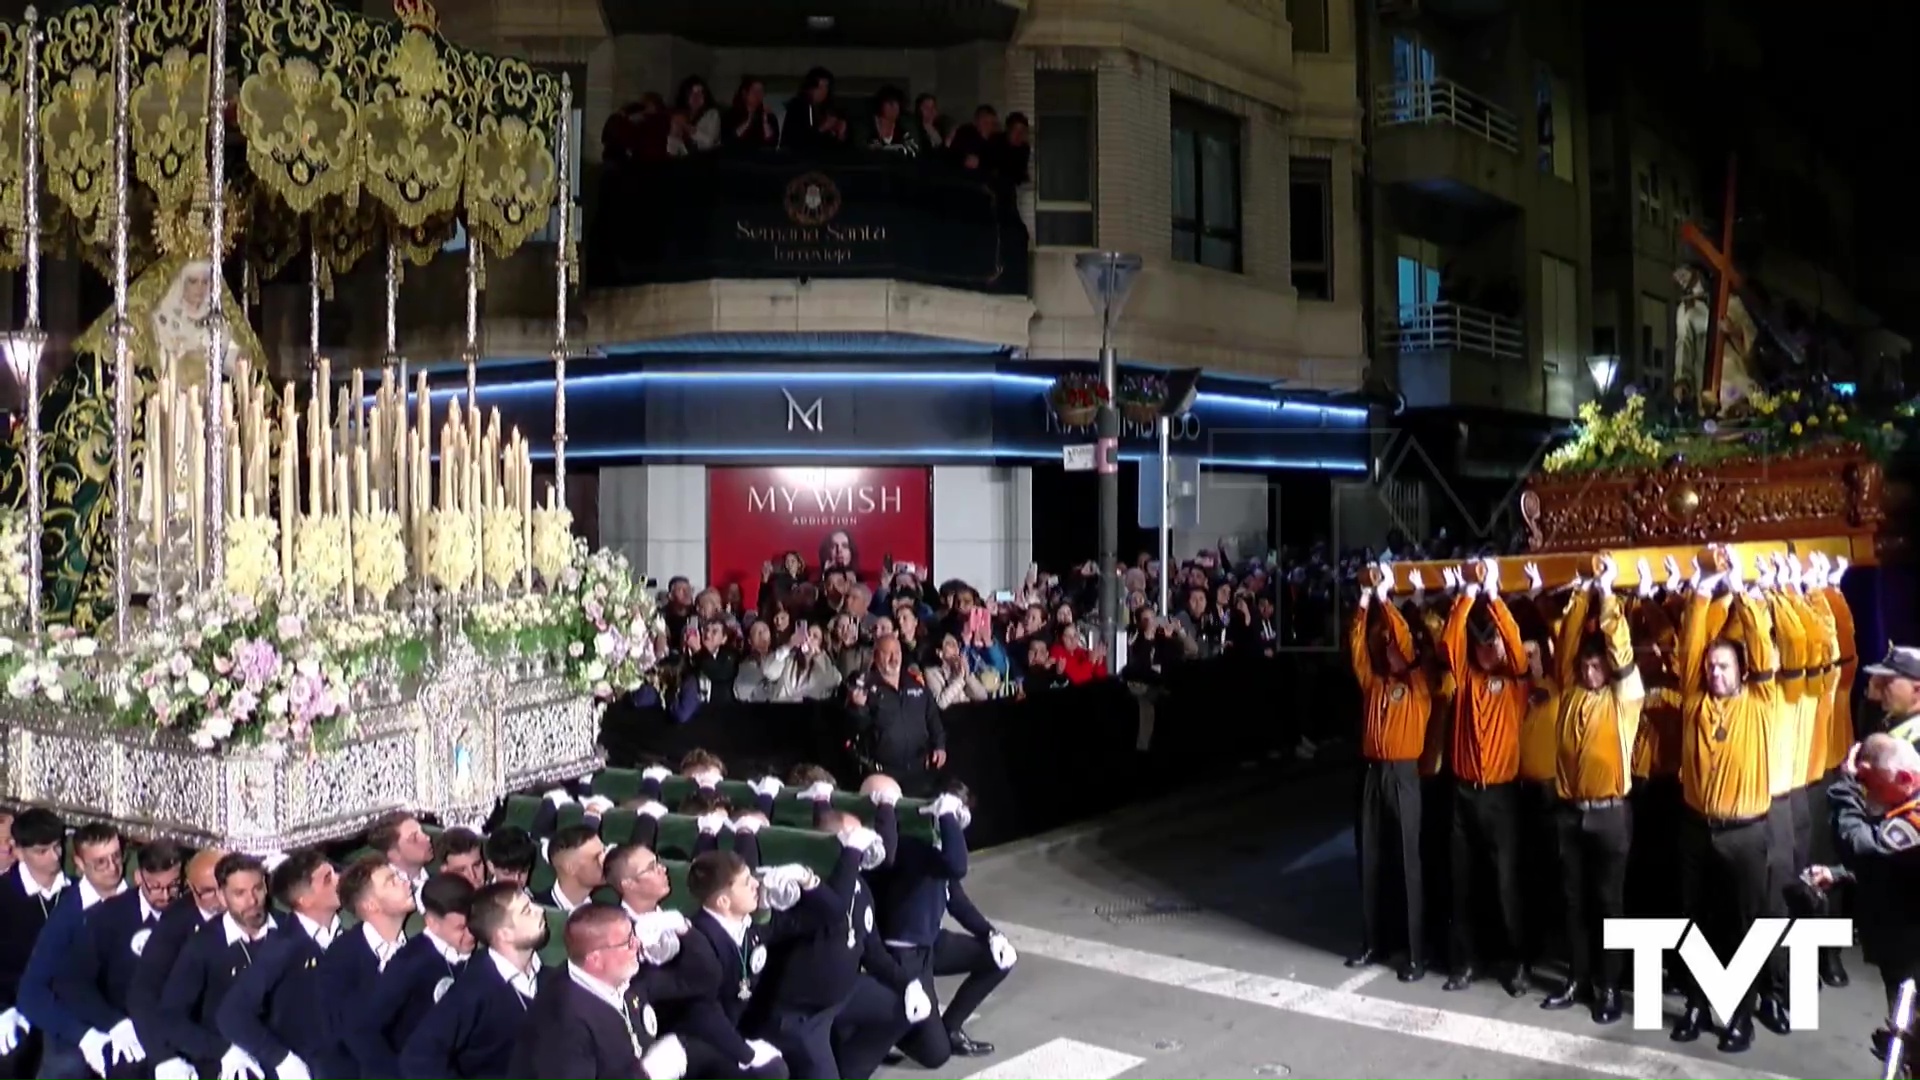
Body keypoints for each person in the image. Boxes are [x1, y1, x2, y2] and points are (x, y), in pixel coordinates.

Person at [1670, 549, 1779, 1052]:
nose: (1715, 673)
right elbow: (1691, 649)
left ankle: (1740, 1015)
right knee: (1695, 923)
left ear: (1741, 671)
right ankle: (1695, 1002)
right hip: (1696, 829)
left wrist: (1739, 590)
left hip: (1746, 833)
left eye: (1724, 666)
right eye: (1711, 666)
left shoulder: (1760, 701)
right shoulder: (1695, 704)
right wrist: (1700, 592)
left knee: (1744, 927)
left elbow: (1763, 649)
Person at [1539, 556, 1642, 1024]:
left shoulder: (1625, 698)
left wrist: (1606, 595)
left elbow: (1622, 652)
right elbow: (1563, 648)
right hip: (1569, 812)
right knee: (1573, 902)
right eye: (1587, 663)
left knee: (1610, 905)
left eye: (1598, 664)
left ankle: (1609, 989)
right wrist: (1581, 596)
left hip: (1609, 814)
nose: (1591, 670)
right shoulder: (1569, 691)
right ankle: (1578, 980)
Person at [1439, 557, 1532, 997]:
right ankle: (1464, 962)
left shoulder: (1514, 682)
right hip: (1463, 795)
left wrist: (1493, 596)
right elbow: (1448, 642)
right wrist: (1465, 596)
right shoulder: (1465, 677)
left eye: (1492, 642)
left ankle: (1514, 965)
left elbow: (1516, 649)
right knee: (1463, 882)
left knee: (1508, 885)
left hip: (1501, 798)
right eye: (1483, 643)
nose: (1488, 648)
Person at [871, 782, 1009, 1066]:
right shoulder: (909, 843)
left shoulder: (935, 844)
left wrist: (990, 933)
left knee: (998, 959)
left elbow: (953, 895)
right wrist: (946, 817)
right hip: (903, 954)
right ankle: (878, 1030)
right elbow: (956, 865)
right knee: (935, 1055)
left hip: (930, 944)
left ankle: (951, 1028)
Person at [1344, 564, 1431, 982]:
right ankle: (1372, 941)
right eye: (1384, 646)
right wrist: (1364, 604)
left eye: (1393, 646)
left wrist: (1387, 602)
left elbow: (1399, 637)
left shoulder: (1416, 685)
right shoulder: (1374, 682)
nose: (1386, 650)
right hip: (1372, 774)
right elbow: (1357, 647)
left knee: (1407, 862)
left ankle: (1415, 953)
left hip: (1403, 775)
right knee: (1371, 859)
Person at [53, 839, 185, 1080]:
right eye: (154, 886)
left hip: (176, 1027)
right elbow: (72, 982)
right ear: (137, 878)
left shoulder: (189, 914)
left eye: (173, 886)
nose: (165, 895)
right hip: (122, 1026)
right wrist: (113, 1023)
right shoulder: (107, 916)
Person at [508, 904, 689, 1080]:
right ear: (595, 959)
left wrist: (684, 929)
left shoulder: (623, 977)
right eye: (628, 942)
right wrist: (647, 1074)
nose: (638, 945)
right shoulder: (562, 1018)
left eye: (634, 936)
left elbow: (702, 978)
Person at [216, 849, 347, 1080]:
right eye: (328, 879)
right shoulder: (284, 945)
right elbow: (231, 1013)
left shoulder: (347, 931)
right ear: (304, 900)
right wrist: (282, 1059)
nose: (339, 880)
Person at [400, 882, 549, 1080]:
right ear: (504, 934)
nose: (539, 911)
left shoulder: (553, 975)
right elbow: (418, 1056)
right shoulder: (472, 990)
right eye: (526, 911)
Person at [16, 824, 126, 1080]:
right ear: (79, 863)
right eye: (100, 862)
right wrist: (83, 1036)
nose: (112, 867)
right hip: (75, 1022)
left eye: (117, 856)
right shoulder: (67, 914)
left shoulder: (137, 897)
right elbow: (31, 992)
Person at [154, 854, 277, 1080]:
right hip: (227, 1057)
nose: (252, 900)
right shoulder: (203, 945)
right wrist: (221, 1051)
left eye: (257, 889)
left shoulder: (286, 932)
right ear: (222, 896)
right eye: (239, 893)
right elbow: (171, 1018)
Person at [345, 873, 475, 1079]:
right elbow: (364, 1030)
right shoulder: (409, 964)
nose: (471, 934)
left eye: (472, 924)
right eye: (460, 928)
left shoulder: (479, 954)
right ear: (432, 923)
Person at [126, 850, 225, 1080]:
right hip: (191, 1036)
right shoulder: (175, 923)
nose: (220, 899)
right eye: (208, 891)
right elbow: (142, 994)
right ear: (191, 887)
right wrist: (163, 1057)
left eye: (223, 887)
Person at [0, 808, 69, 1079]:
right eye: (42, 851)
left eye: (57, 847)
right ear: (18, 851)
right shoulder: (4, 895)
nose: (54, 857)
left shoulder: (74, 893)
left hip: (65, 1005)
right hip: (14, 1006)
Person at [846, 637, 946, 795]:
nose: (894, 658)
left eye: (897, 652)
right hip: (883, 775)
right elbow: (856, 729)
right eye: (888, 653)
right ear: (876, 656)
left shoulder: (915, 682)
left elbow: (932, 717)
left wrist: (939, 745)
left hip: (918, 771)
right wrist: (859, 708)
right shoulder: (864, 686)